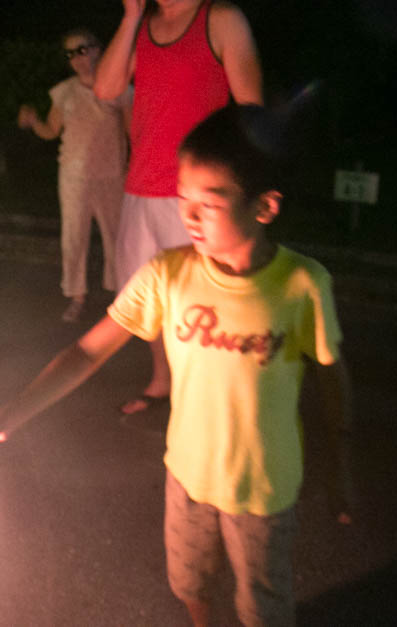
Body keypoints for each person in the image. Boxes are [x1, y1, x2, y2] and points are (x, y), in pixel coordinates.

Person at [0, 105, 352, 627]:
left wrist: (340, 463)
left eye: (208, 203)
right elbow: (87, 352)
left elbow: (330, 376)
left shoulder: (301, 284)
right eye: (182, 198)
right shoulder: (168, 274)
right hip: (184, 476)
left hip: (263, 489)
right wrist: (6, 418)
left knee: (264, 605)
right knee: (191, 585)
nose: (188, 217)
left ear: (265, 207)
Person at [93, 0, 264, 415]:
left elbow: (250, 107)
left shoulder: (220, 19)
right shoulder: (145, 26)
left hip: (196, 192)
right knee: (149, 296)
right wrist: (130, 16)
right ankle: (162, 381)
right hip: (141, 186)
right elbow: (105, 88)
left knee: (204, 298)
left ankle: (209, 394)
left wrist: (238, 184)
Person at [17, 28, 133, 323]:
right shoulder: (64, 91)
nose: (78, 58)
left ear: (98, 49)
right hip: (73, 177)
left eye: (83, 49)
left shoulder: (120, 88)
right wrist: (33, 122)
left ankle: (121, 299)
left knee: (116, 239)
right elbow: (51, 131)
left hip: (111, 176)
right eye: (71, 53)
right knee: (74, 239)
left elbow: (135, 133)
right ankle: (76, 297)